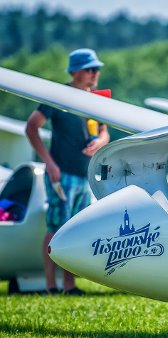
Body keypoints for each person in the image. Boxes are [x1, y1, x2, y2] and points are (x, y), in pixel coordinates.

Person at [25, 49, 110, 295]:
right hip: (60, 175)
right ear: (74, 72)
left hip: (84, 175)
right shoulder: (58, 96)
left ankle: (70, 284)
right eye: (89, 69)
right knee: (56, 228)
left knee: (74, 229)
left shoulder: (97, 99)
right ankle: (52, 285)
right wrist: (49, 163)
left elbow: (104, 131)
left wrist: (101, 142)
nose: (95, 74)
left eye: (96, 69)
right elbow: (32, 127)